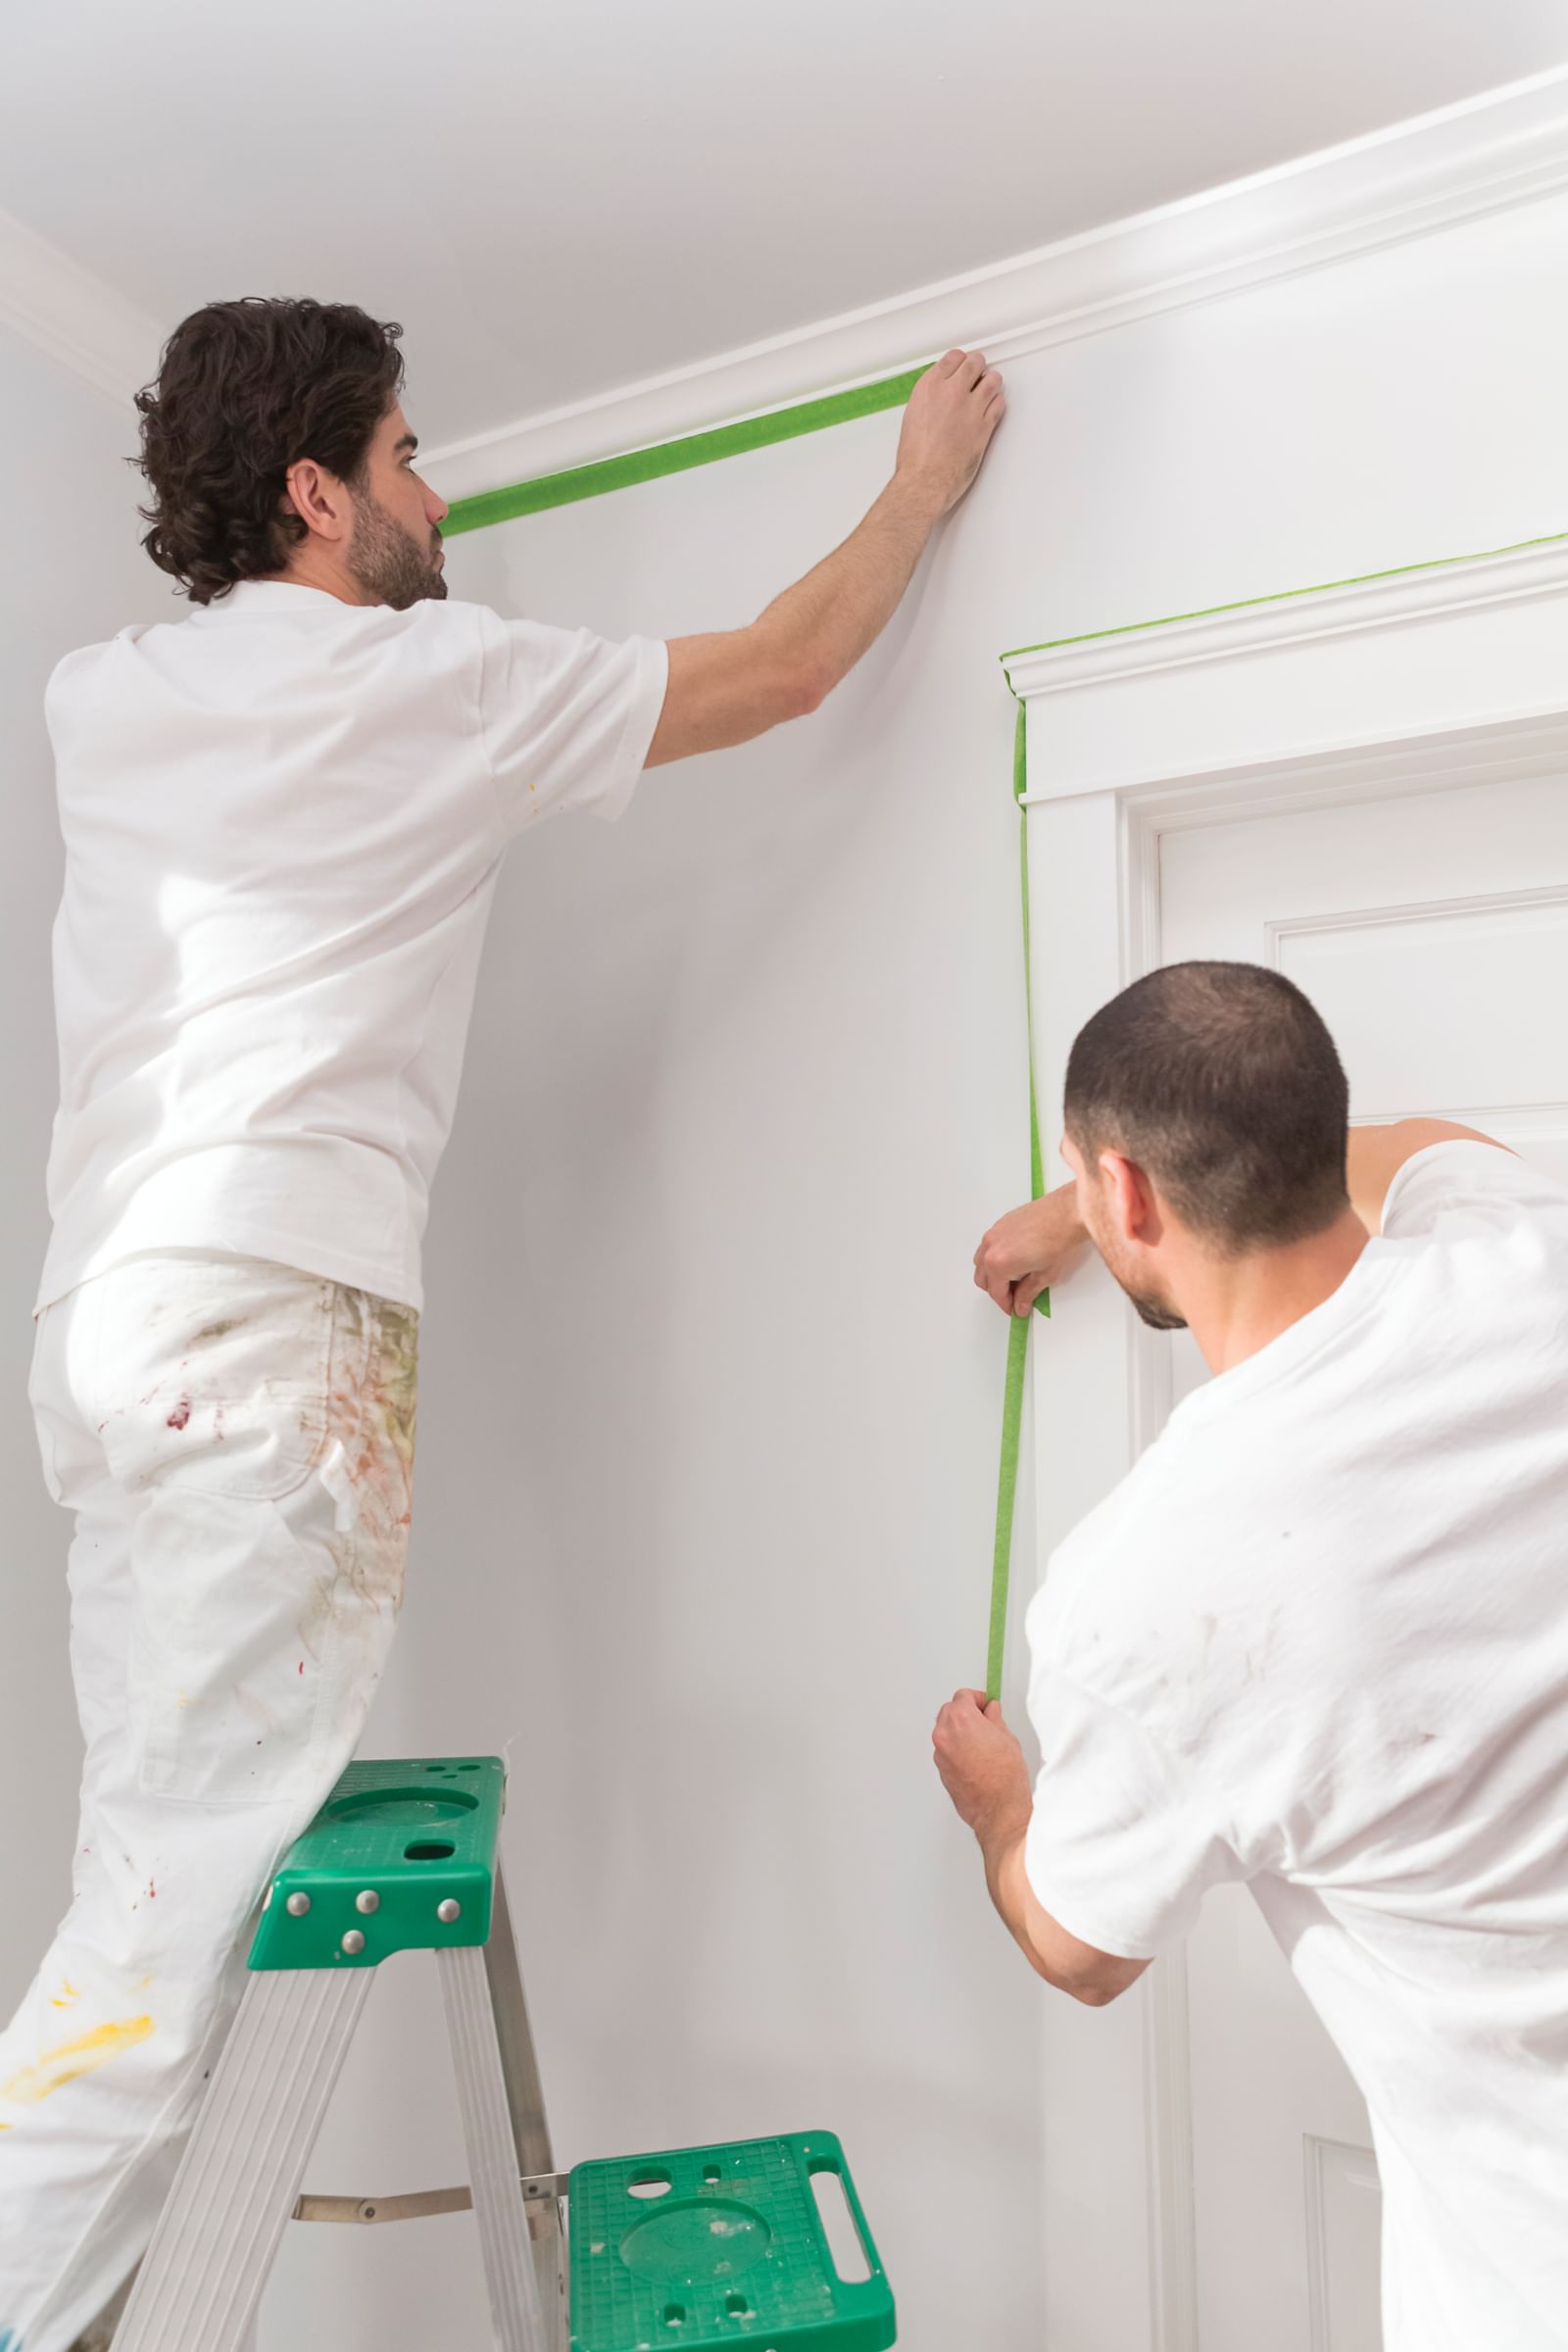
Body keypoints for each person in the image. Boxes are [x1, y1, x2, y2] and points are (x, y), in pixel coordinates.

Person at [0, 296, 1004, 2352]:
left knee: (147, 1861)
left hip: (108, 1329)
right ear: (312, 489)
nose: (435, 501)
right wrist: (915, 483)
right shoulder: (431, 681)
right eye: (405, 461)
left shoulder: (96, 698)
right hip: (276, 1327)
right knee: (158, 1913)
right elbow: (787, 667)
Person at [933, 959, 1568, 2352]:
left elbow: (1079, 1947)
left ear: (1134, 1193)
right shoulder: (1523, 1238)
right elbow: (1420, 1149)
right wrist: (1087, 1205)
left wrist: (999, 1808)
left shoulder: (1146, 1591)